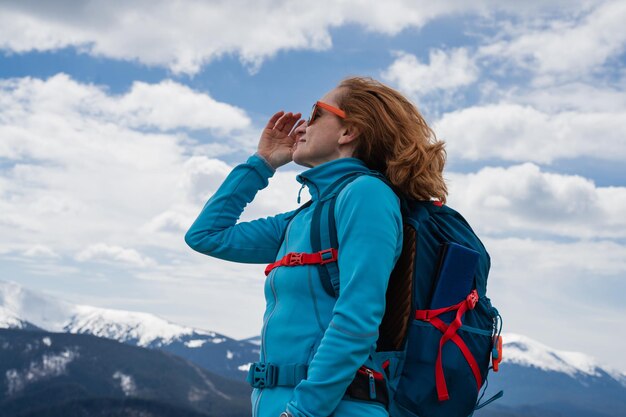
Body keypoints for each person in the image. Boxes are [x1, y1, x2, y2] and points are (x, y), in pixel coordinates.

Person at [185, 77, 447, 417]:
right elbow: (206, 235)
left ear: (348, 132)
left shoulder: (366, 194)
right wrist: (262, 162)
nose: (302, 127)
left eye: (316, 114)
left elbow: (358, 317)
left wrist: (302, 412)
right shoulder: (301, 219)